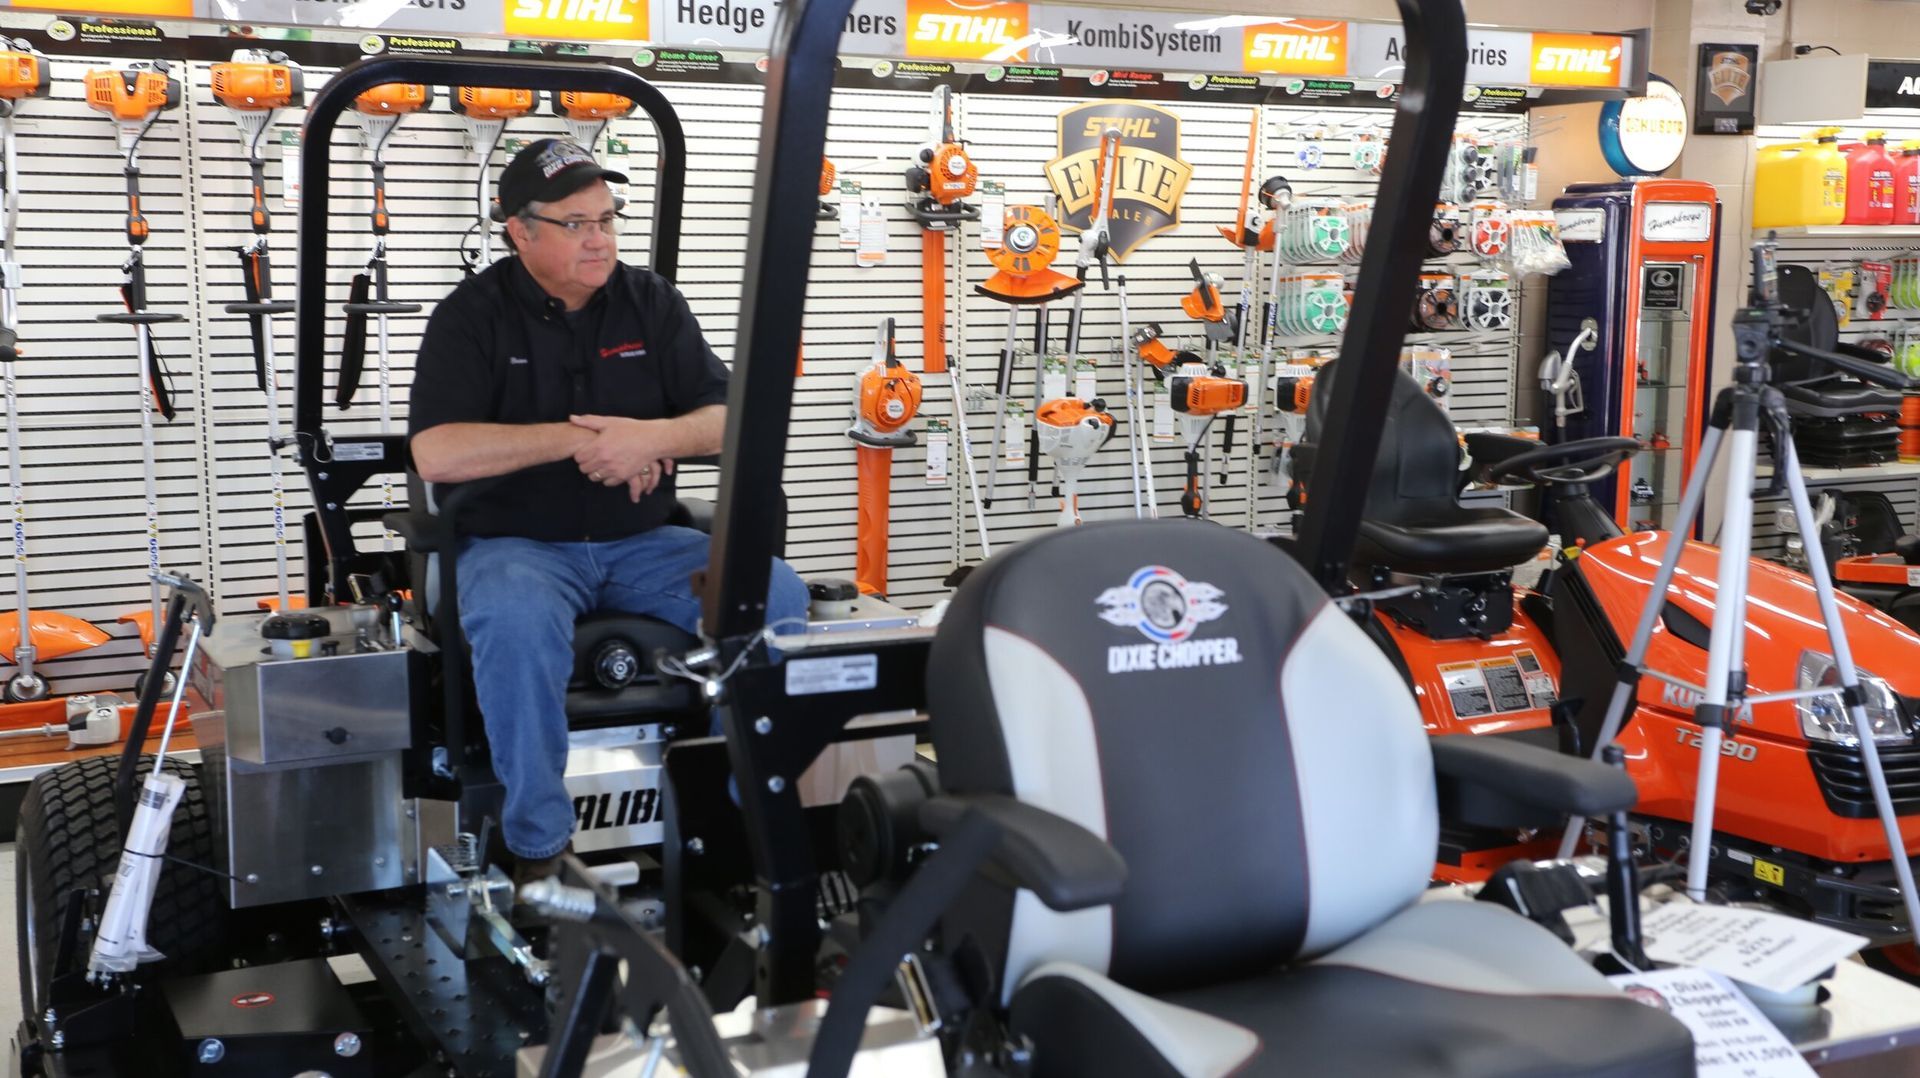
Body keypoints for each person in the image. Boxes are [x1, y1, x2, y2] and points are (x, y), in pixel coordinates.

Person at [407, 138, 810, 882]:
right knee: (515, 618)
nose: (599, 238)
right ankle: (538, 849)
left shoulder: (649, 302)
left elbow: (735, 420)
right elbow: (438, 453)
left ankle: (732, 820)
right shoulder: (471, 317)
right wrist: (579, 440)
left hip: (642, 542)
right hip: (517, 546)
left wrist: (653, 437)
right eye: (575, 223)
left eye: (607, 218)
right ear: (519, 230)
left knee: (776, 594)